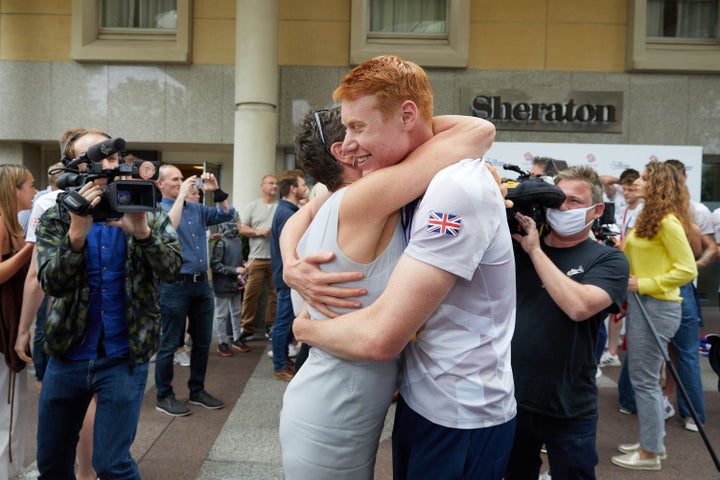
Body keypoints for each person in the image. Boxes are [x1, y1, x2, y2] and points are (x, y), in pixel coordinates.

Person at [279, 55, 497, 479]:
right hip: (331, 409)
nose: (359, 138)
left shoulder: (335, 199)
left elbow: (296, 219)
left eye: (361, 125)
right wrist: (401, 116)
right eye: (352, 132)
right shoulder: (368, 197)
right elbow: (478, 130)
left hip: (338, 400)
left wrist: (288, 262)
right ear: (343, 153)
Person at [32, 129, 181, 478]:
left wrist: (143, 234)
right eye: (94, 159)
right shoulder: (58, 214)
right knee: (52, 463)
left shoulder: (145, 206)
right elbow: (52, 283)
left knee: (113, 465)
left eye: (112, 158)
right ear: (74, 168)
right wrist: (76, 234)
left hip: (124, 356)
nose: (106, 166)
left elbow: (173, 270)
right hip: (67, 353)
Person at [505, 165, 629, 480]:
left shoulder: (608, 259)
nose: (563, 208)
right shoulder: (516, 248)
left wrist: (534, 251)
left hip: (570, 403)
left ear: (596, 210)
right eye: (558, 199)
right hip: (513, 397)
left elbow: (579, 306)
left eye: (574, 201)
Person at [14, 156, 99, 480]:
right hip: (91, 331)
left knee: (62, 405)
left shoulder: (48, 201)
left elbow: (36, 275)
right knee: (87, 402)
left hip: (64, 323)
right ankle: (87, 473)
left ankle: (81, 471)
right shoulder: (51, 205)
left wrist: (25, 328)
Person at [612, 161, 697, 471]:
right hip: (645, 304)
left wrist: (645, 283)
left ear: (657, 184)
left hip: (657, 306)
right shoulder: (651, 217)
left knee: (645, 380)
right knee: (644, 378)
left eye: (645, 178)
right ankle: (652, 443)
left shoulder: (668, 221)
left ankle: (650, 452)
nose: (639, 182)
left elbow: (687, 269)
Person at [154, 164, 235, 417]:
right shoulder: (157, 210)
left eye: (181, 179)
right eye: (174, 179)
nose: (180, 182)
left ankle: (197, 390)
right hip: (174, 284)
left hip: (201, 285)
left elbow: (227, 214)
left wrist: (217, 191)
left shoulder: (198, 209)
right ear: (160, 185)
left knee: (202, 342)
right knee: (169, 344)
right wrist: (180, 197)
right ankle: (164, 396)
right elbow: (169, 227)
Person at [663, 158, 711, 432]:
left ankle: (690, 413)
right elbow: (695, 252)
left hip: (668, 287)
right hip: (673, 286)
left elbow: (700, 251)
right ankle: (690, 414)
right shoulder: (685, 218)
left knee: (677, 353)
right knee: (680, 353)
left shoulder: (693, 214)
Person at [0, 164, 35, 478]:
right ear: (15, 189)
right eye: (30, 185)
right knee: (9, 406)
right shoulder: (1, 223)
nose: (34, 191)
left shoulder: (9, 222)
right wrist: (29, 248)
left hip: (8, 322)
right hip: (3, 327)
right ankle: (8, 472)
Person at [269, 169, 307, 381]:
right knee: (283, 323)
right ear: (292, 189)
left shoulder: (286, 210)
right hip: (286, 277)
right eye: (301, 185)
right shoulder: (287, 214)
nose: (304, 188)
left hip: (284, 275)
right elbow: (293, 248)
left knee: (284, 321)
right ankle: (280, 365)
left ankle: (282, 360)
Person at [238, 175, 278, 342]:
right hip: (257, 259)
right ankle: (246, 328)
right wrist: (258, 232)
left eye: (276, 183)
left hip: (277, 259)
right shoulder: (253, 206)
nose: (274, 186)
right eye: (271, 183)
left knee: (275, 295)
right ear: (262, 185)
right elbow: (240, 228)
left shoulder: (280, 207)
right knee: (250, 295)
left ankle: (271, 326)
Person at [210, 214, 250, 357]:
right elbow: (215, 265)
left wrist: (243, 263)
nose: (240, 223)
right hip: (222, 285)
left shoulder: (237, 241)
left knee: (236, 312)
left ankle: (236, 338)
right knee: (221, 314)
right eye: (237, 220)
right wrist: (234, 270)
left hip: (235, 284)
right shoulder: (221, 242)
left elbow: (236, 259)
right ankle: (222, 342)